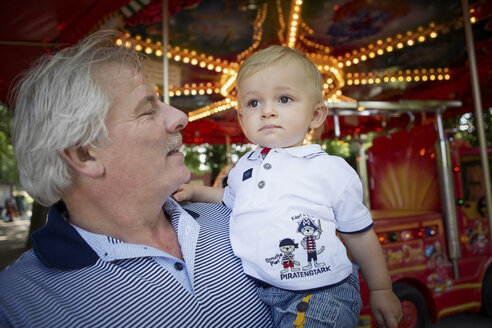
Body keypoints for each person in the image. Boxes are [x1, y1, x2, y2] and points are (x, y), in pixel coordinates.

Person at [0, 30, 272, 327]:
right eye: (147, 110)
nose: (180, 117)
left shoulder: (237, 214)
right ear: (84, 155)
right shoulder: (18, 305)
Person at [173, 45, 402, 328]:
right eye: (254, 103)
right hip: (261, 290)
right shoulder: (244, 166)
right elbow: (233, 198)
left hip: (321, 292)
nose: (267, 111)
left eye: (284, 98)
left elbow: (360, 235)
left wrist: (381, 288)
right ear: (242, 118)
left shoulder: (329, 169)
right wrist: (196, 192)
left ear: (316, 115)